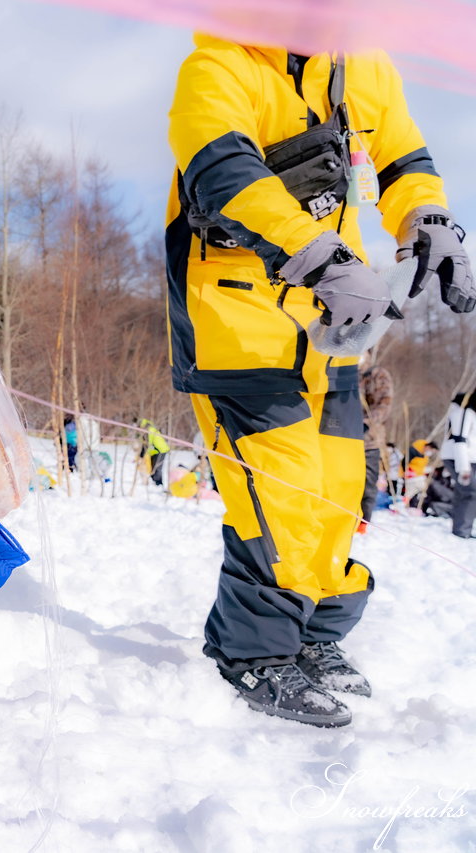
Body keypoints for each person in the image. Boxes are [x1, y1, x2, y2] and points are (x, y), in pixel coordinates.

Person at [165, 36, 476, 726]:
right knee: (282, 489)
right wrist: (317, 255)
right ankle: (252, 652)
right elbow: (225, 172)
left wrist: (426, 217)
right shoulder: (218, 67)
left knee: (339, 486)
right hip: (235, 328)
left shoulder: (364, 62)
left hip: (328, 332)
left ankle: (312, 633)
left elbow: (401, 156)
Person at [358, 360, 394, 530]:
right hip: (340, 435)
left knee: (367, 483)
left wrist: (366, 422)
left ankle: (363, 522)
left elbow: (384, 404)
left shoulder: (375, 374)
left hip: (368, 440)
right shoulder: (340, 369)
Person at [440, 390, 476, 537]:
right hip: (459, 459)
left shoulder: (470, 414)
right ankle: (462, 530)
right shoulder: (463, 413)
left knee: (464, 493)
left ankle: (462, 527)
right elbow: (459, 440)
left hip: (468, 458)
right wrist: (464, 469)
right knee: (470, 493)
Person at [138, 418, 169, 486]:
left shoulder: (149, 430)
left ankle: (158, 483)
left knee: (157, 466)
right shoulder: (150, 429)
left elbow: (146, 444)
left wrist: (141, 456)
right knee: (152, 466)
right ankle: (154, 481)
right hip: (155, 451)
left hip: (161, 450)